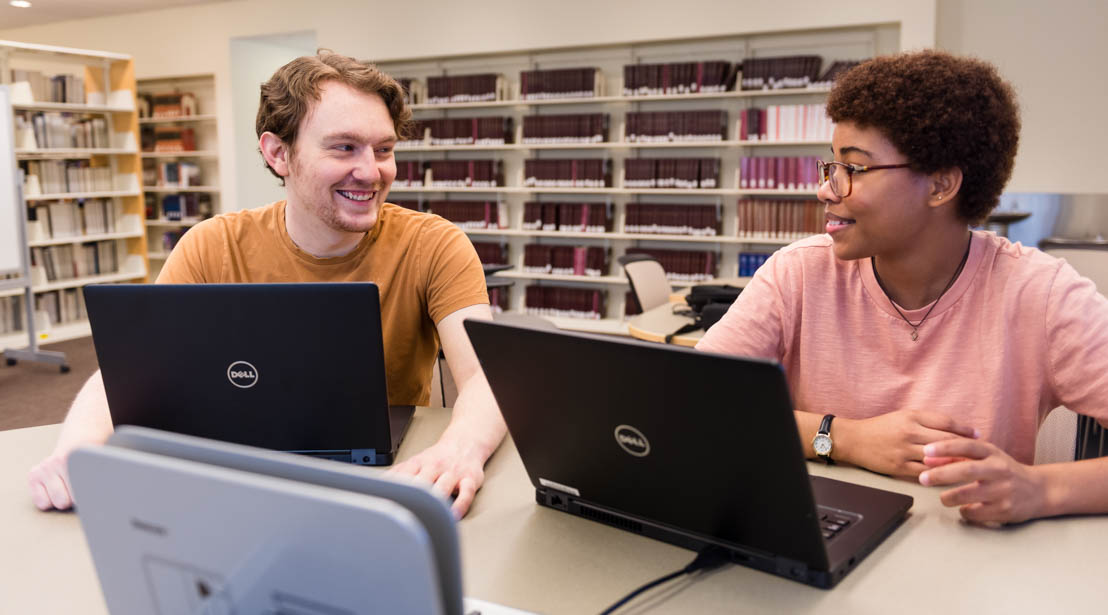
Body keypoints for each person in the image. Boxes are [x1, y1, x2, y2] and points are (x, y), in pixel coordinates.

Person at [27, 50, 505, 518]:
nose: (372, 171)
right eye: (344, 147)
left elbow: (489, 374)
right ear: (278, 153)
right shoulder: (212, 246)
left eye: (384, 149)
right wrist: (78, 451)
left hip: (376, 490)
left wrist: (459, 450)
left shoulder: (434, 244)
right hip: (231, 486)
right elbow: (128, 373)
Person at [697, 49, 1108, 525]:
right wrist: (843, 437)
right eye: (831, 166)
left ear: (940, 186)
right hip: (816, 537)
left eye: (855, 168)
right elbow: (692, 403)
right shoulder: (799, 274)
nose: (827, 189)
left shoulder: (1042, 295)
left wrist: (1041, 489)